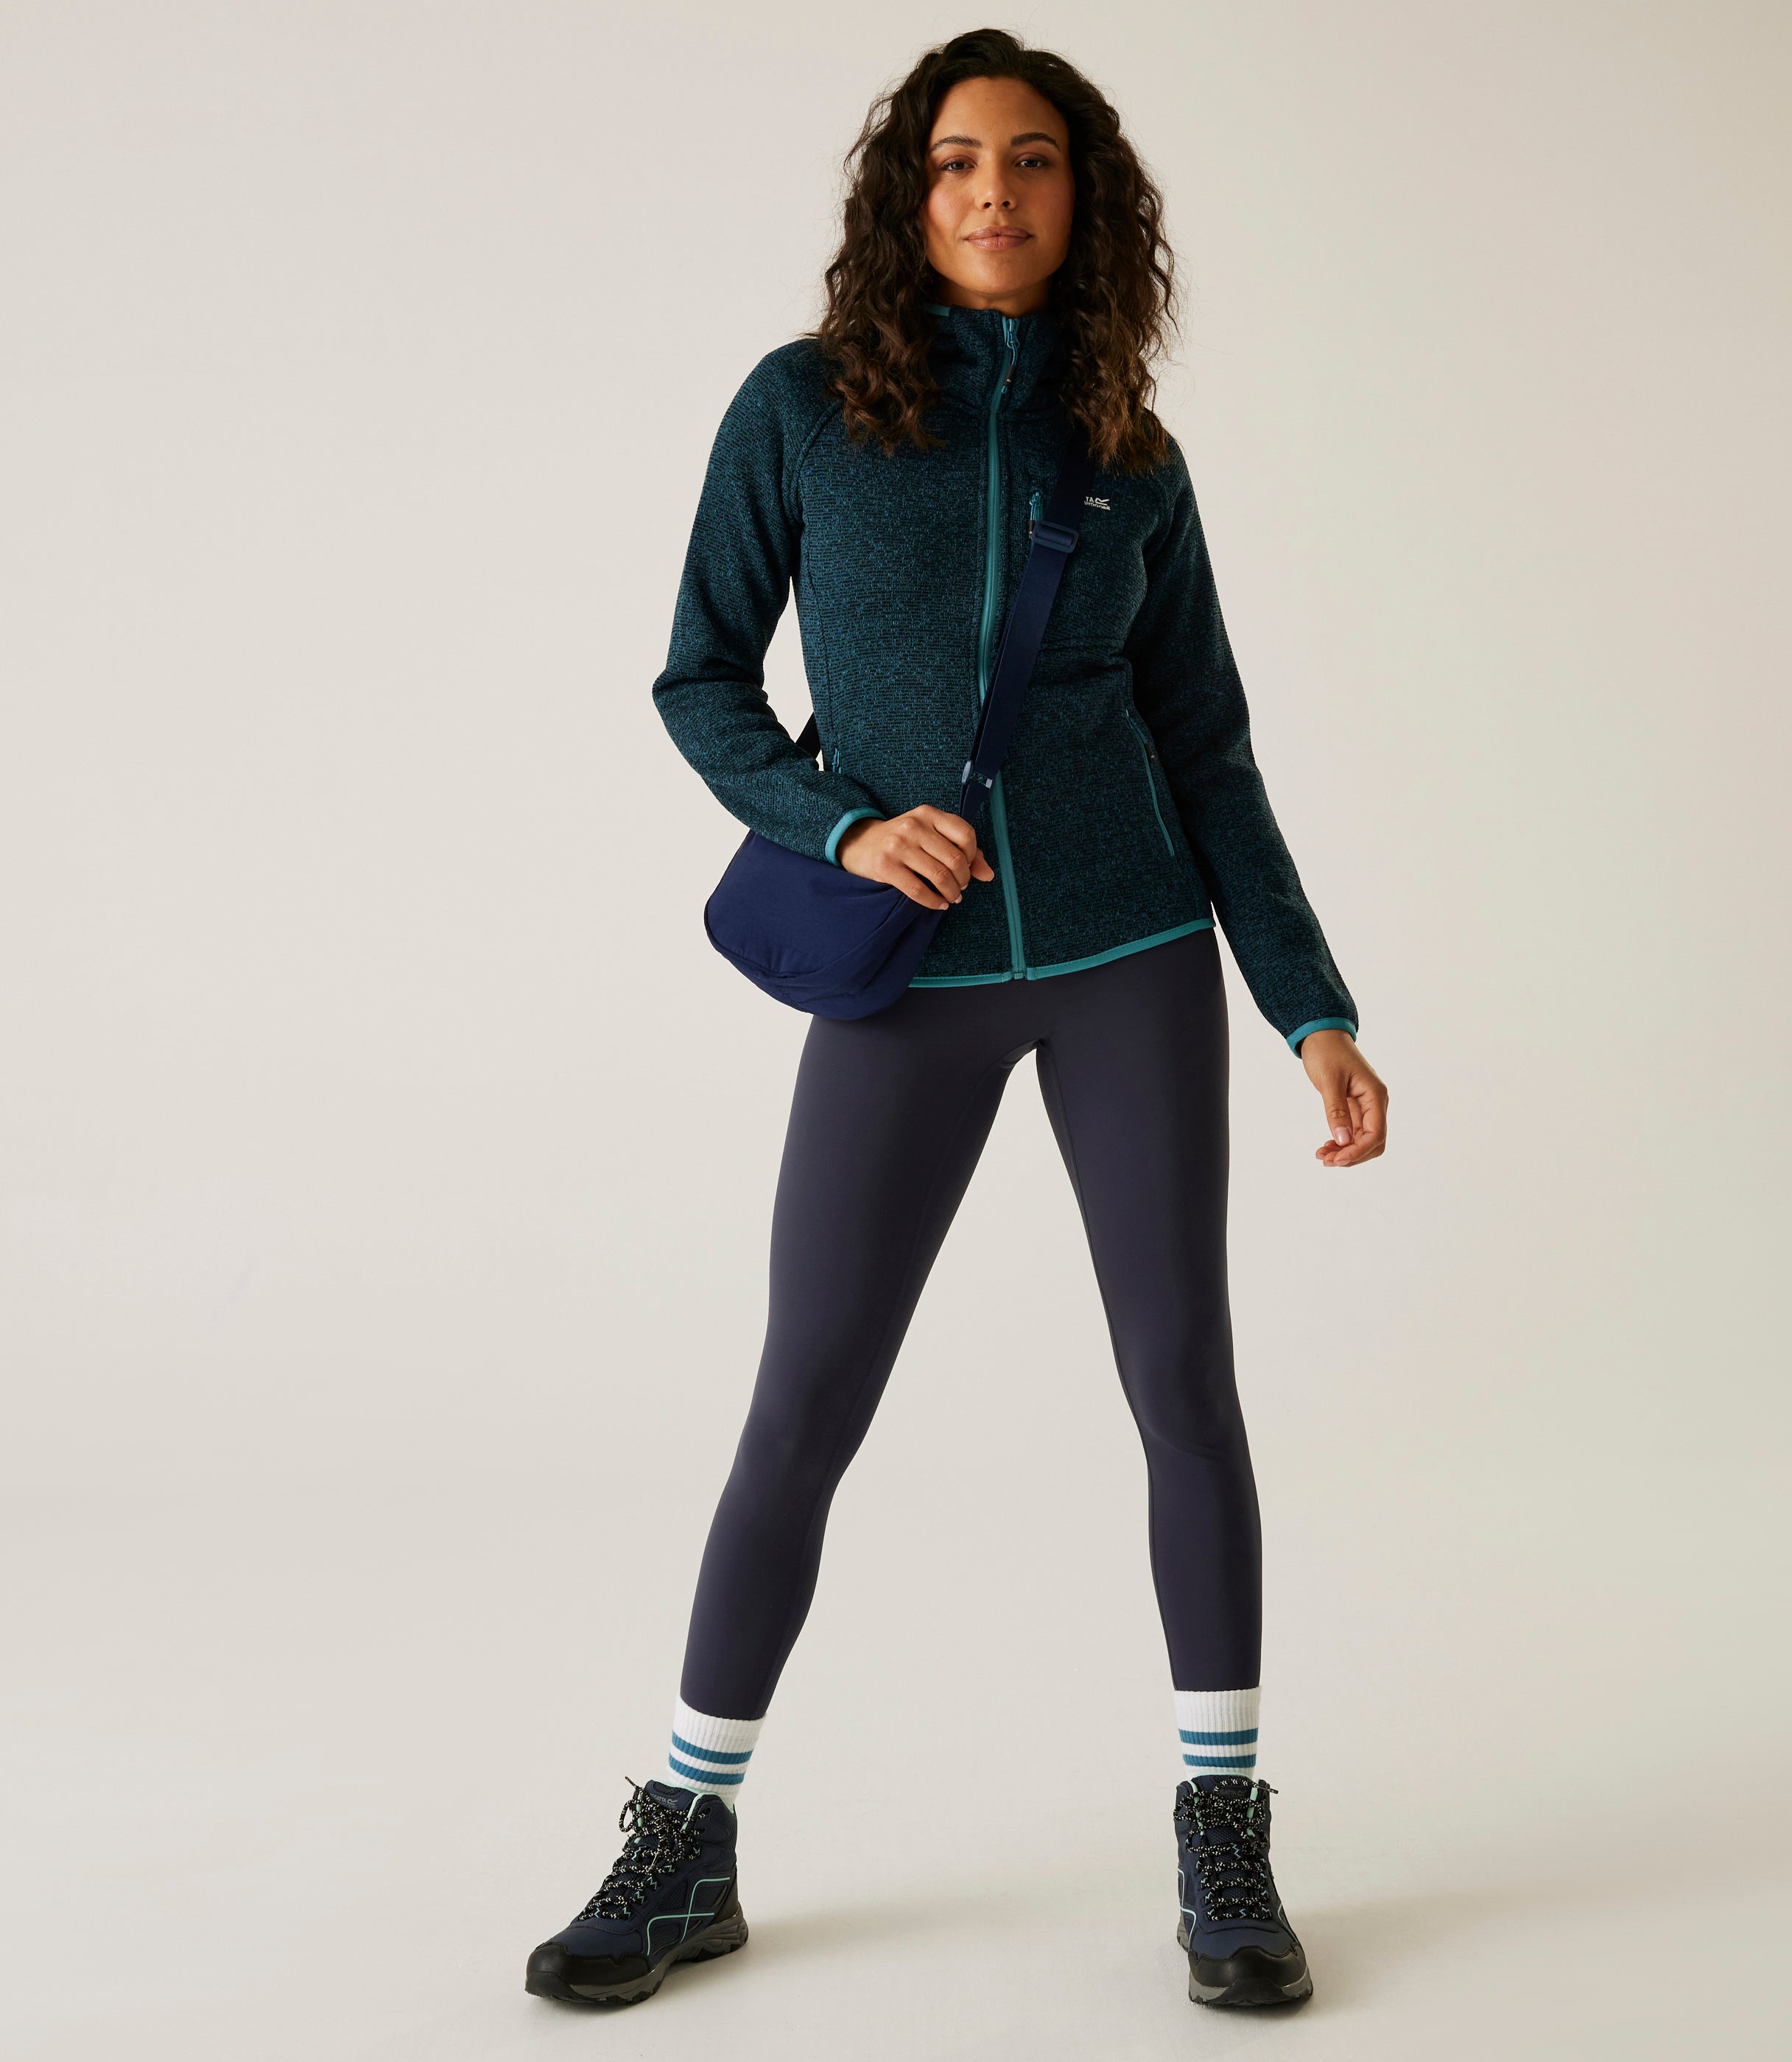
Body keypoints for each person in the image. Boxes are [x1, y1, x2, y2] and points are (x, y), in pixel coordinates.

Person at [524, 27, 1388, 2013]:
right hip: (902, 981)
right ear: (905, 196)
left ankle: (1225, 1832)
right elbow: (699, 680)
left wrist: (1311, 1008)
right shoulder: (804, 409)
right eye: (955, 163)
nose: (994, 191)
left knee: (1183, 1383)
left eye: (1034, 160)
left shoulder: (1130, 447)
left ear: (1089, 198)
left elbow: (1210, 747)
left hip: (1130, 953)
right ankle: (686, 1835)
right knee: (805, 1400)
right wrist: (841, 820)